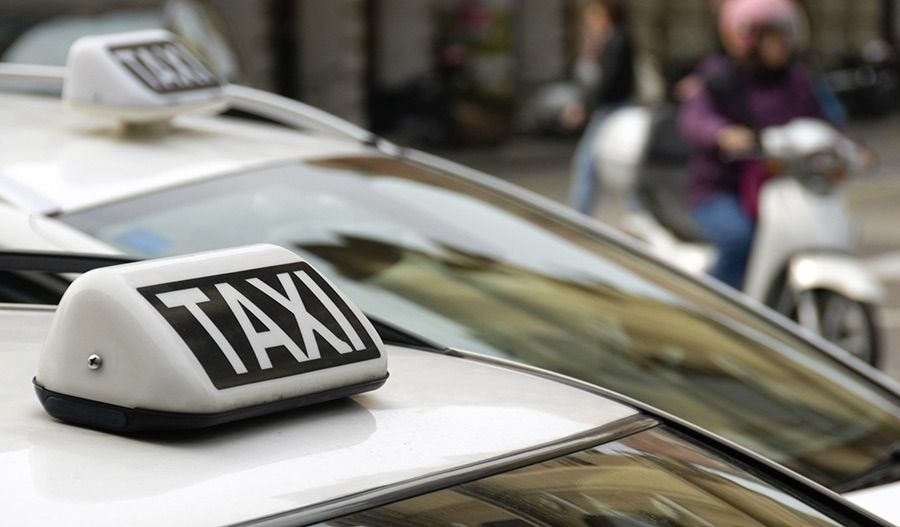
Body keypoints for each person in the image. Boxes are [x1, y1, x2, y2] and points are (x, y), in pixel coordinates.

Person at [678, 0, 831, 289]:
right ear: (750, 39)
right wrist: (722, 133)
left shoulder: (796, 79)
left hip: (782, 185)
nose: (781, 45)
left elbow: (824, 119)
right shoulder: (720, 75)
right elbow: (694, 117)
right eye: (772, 37)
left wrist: (852, 147)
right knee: (741, 238)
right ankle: (714, 306)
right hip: (722, 189)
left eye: (785, 36)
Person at [564, 0, 635, 215]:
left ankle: (579, 217)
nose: (590, 19)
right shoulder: (605, 41)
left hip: (612, 110)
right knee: (616, 165)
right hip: (608, 109)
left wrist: (584, 107)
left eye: (594, 14)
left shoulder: (617, 41)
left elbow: (607, 82)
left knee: (588, 164)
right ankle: (636, 215)